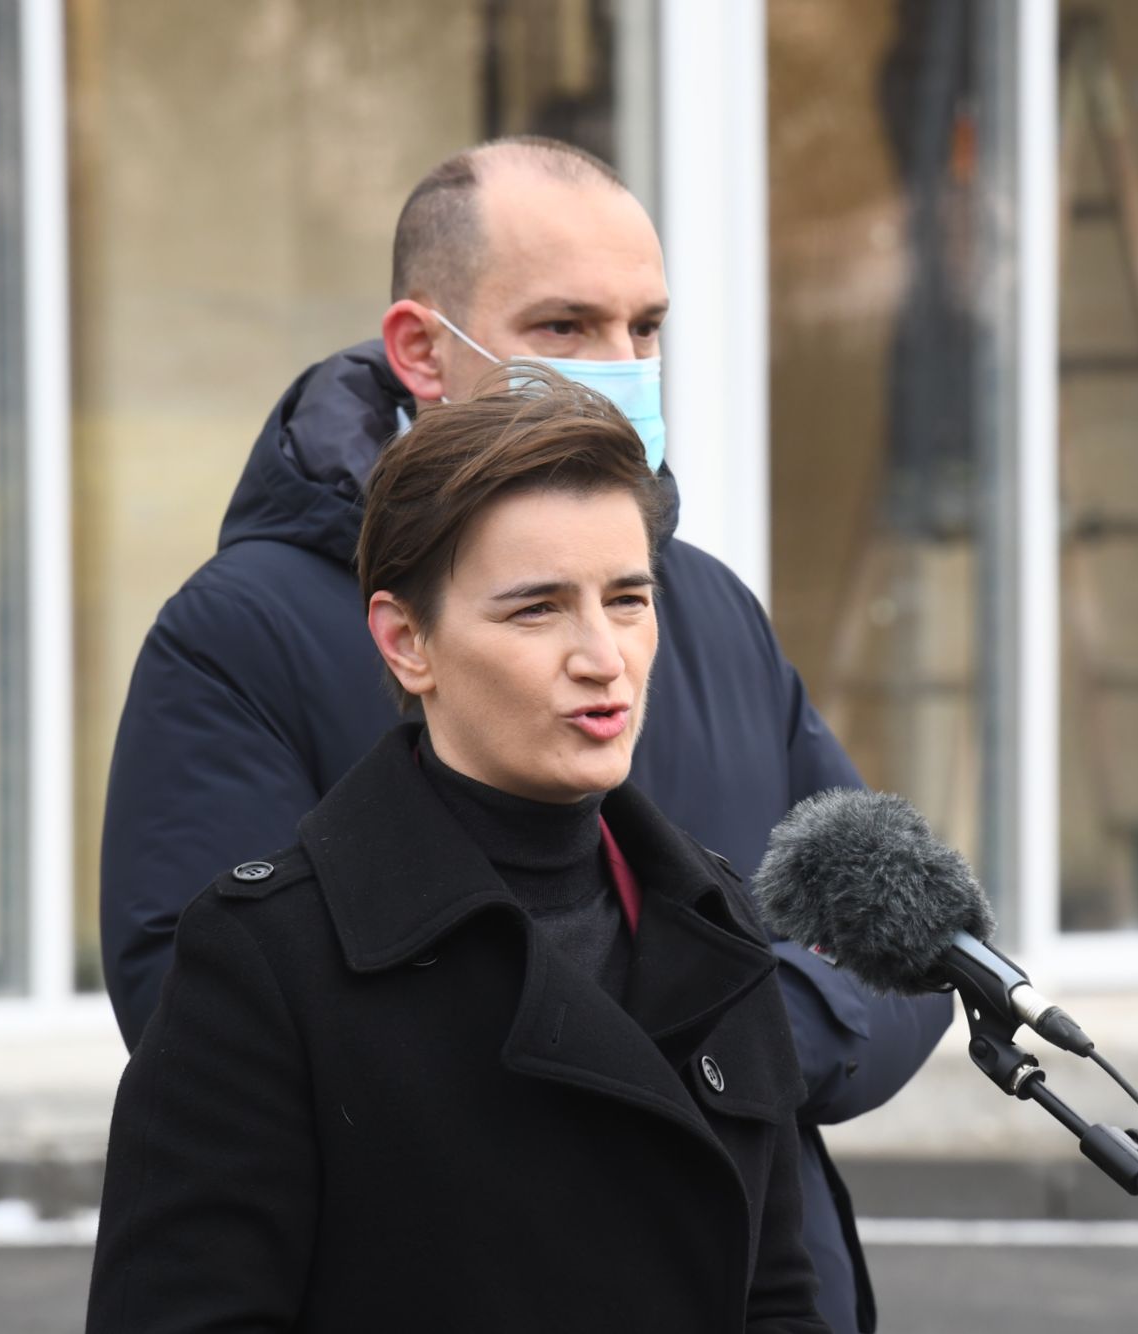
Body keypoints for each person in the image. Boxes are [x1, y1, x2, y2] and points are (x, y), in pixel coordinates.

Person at [99, 137, 951, 1334]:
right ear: (420, 350)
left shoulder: (704, 601)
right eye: (565, 327)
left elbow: (894, 949)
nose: (620, 368)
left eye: (645, 327)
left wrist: (717, 1051)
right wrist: (610, 1073)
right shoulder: (241, 632)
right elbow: (194, 1011)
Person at [87, 369, 828, 1332]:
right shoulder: (266, 961)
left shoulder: (710, 921)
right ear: (406, 641)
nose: (603, 655)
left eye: (629, 599)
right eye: (537, 608)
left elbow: (775, 1301)